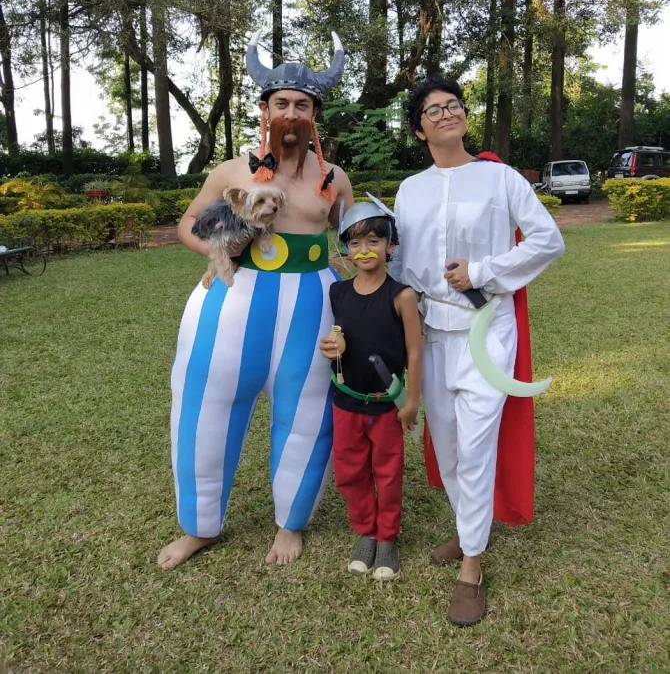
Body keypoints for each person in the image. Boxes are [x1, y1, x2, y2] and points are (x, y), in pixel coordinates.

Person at [158, 32, 354, 571]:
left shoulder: (334, 178)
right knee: (204, 408)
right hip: (232, 300)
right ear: (265, 110)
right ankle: (198, 527)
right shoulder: (230, 172)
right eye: (281, 103)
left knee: (307, 416)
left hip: (311, 305)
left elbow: (355, 239)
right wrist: (218, 248)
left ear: (314, 116)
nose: (291, 113)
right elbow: (188, 224)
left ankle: (290, 523)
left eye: (302, 105)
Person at [389, 75, 564, 624]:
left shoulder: (500, 178)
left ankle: (471, 564)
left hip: (486, 331)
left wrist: (483, 270)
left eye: (454, 105)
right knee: (448, 446)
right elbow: (401, 265)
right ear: (419, 130)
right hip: (431, 336)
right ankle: (470, 529)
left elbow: (548, 240)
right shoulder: (410, 190)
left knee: (477, 443)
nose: (447, 113)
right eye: (433, 110)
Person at [318, 201, 422, 580]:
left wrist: (412, 402)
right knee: (350, 471)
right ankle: (366, 531)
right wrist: (330, 347)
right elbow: (339, 335)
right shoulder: (337, 292)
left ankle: (387, 538)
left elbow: (414, 351)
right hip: (346, 403)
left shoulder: (402, 296)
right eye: (356, 243)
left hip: (385, 406)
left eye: (374, 241)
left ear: (390, 246)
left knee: (388, 473)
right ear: (346, 248)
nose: (364, 251)